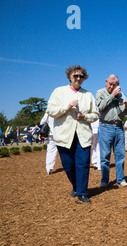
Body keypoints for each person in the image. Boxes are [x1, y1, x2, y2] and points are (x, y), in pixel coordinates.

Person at [47, 65, 99, 203]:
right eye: (75, 75)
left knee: (83, 164)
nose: (78, 78)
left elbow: (95, 114)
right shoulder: (59, 92)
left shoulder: (88, 95)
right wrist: (67, 107)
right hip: (64, 135)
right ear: (69, 76)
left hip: (83, 135)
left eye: (81, 76)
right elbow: (51, 111)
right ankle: (76, 186)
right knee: (68, 165)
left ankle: (82, 192)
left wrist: (85, 117)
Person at [96, 74, 127, 187]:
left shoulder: (122, 95)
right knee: (105, 156)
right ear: (106, 82)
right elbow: (101, 107)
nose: (112, 86)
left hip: (119, 127)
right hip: (105, 126)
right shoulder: (100, 92)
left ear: (118, 84)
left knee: (120, 155)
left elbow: (126, 112)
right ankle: (104, 181)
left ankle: (120, 179)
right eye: (110, 84)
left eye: (115, 84)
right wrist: (112, 95)